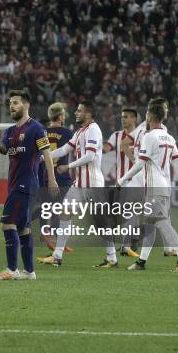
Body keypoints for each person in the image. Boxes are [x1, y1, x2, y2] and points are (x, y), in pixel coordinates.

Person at [0, 90, 58, 280]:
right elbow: (3, 150)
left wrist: (51, 179)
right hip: (16, 184)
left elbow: (47, 154)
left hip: (26, 184)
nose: (11, 106)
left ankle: (11, 269)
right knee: (22, 228)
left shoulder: (36, 128)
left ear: (26, 105)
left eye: (16, 103)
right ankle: (29, 271)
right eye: (10, 103)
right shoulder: (10, 131)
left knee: (6, 223)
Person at [118, 104, 178, 272]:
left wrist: (123, 179)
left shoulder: (150, 136)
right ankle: (141, 262)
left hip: (154, 187)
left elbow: (140, 163)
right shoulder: (169, 138)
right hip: (165, 186)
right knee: (150, 224)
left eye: (146, 113)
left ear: (150, 117)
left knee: (161, 222)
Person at [41, 101, 108, 267]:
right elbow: (64, 150)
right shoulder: (80, 132)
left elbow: (90, 156)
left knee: (101, 223)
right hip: (79, 184)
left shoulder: (93, 129)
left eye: (80, 110)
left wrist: (68, 166)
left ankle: (112, 256)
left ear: (89, 114)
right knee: (64, 213)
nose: (76, 113)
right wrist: (44, 157)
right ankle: (57, 256)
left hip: (93, 183)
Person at [36, 102, 73, 258]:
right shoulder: (67, 133)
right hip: (61, 175)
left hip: (45, 174)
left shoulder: (42, 131)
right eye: (63, 114)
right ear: (60, 116)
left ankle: (45, 233)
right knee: (60, 209)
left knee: (45, 207)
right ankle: (58, 241)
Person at [102, 107, 140, 258]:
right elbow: (106, 147)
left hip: (136, 180)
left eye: (126, 117)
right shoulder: (117, 135)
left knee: (130, 212)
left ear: (134, 119)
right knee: (122, 213)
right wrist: (97, 147)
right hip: (120, 181)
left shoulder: (142, 136)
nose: (123, 119)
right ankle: (128, 242)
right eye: (122, 117)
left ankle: (127, 244)